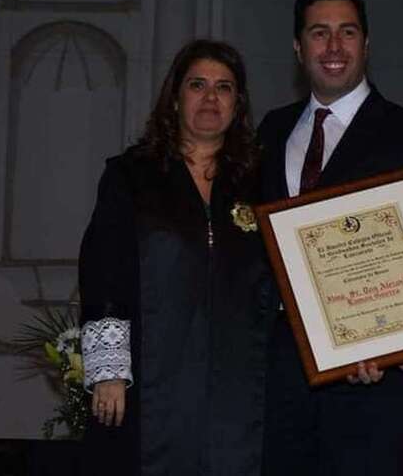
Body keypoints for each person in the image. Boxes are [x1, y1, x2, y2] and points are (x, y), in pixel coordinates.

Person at [257, 0, 403, 475]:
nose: (334, 46)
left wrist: (388, 344)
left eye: (347, 32)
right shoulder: (269, 132)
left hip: (376, 381)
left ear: (366, 44)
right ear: (299, 48)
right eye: (319, 33)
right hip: (280, 378)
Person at [78, 39, 272, 475]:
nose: (209, 97)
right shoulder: (131, 175)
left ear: (237, 104)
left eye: (223, 88)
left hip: (240, 383)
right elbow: (102, 271)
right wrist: (109, 370)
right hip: (153, 380)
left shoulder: (260, 182)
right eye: (197, 84)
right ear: (176, 96)